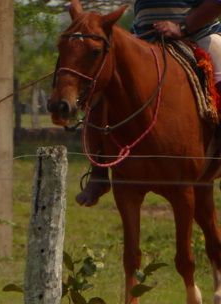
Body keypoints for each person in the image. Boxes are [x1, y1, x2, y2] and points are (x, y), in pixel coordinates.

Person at [77, 0, 221, 207]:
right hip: (142, 37)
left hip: (199, 34)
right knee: (100, 88)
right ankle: (98, 173)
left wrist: (182, 27)